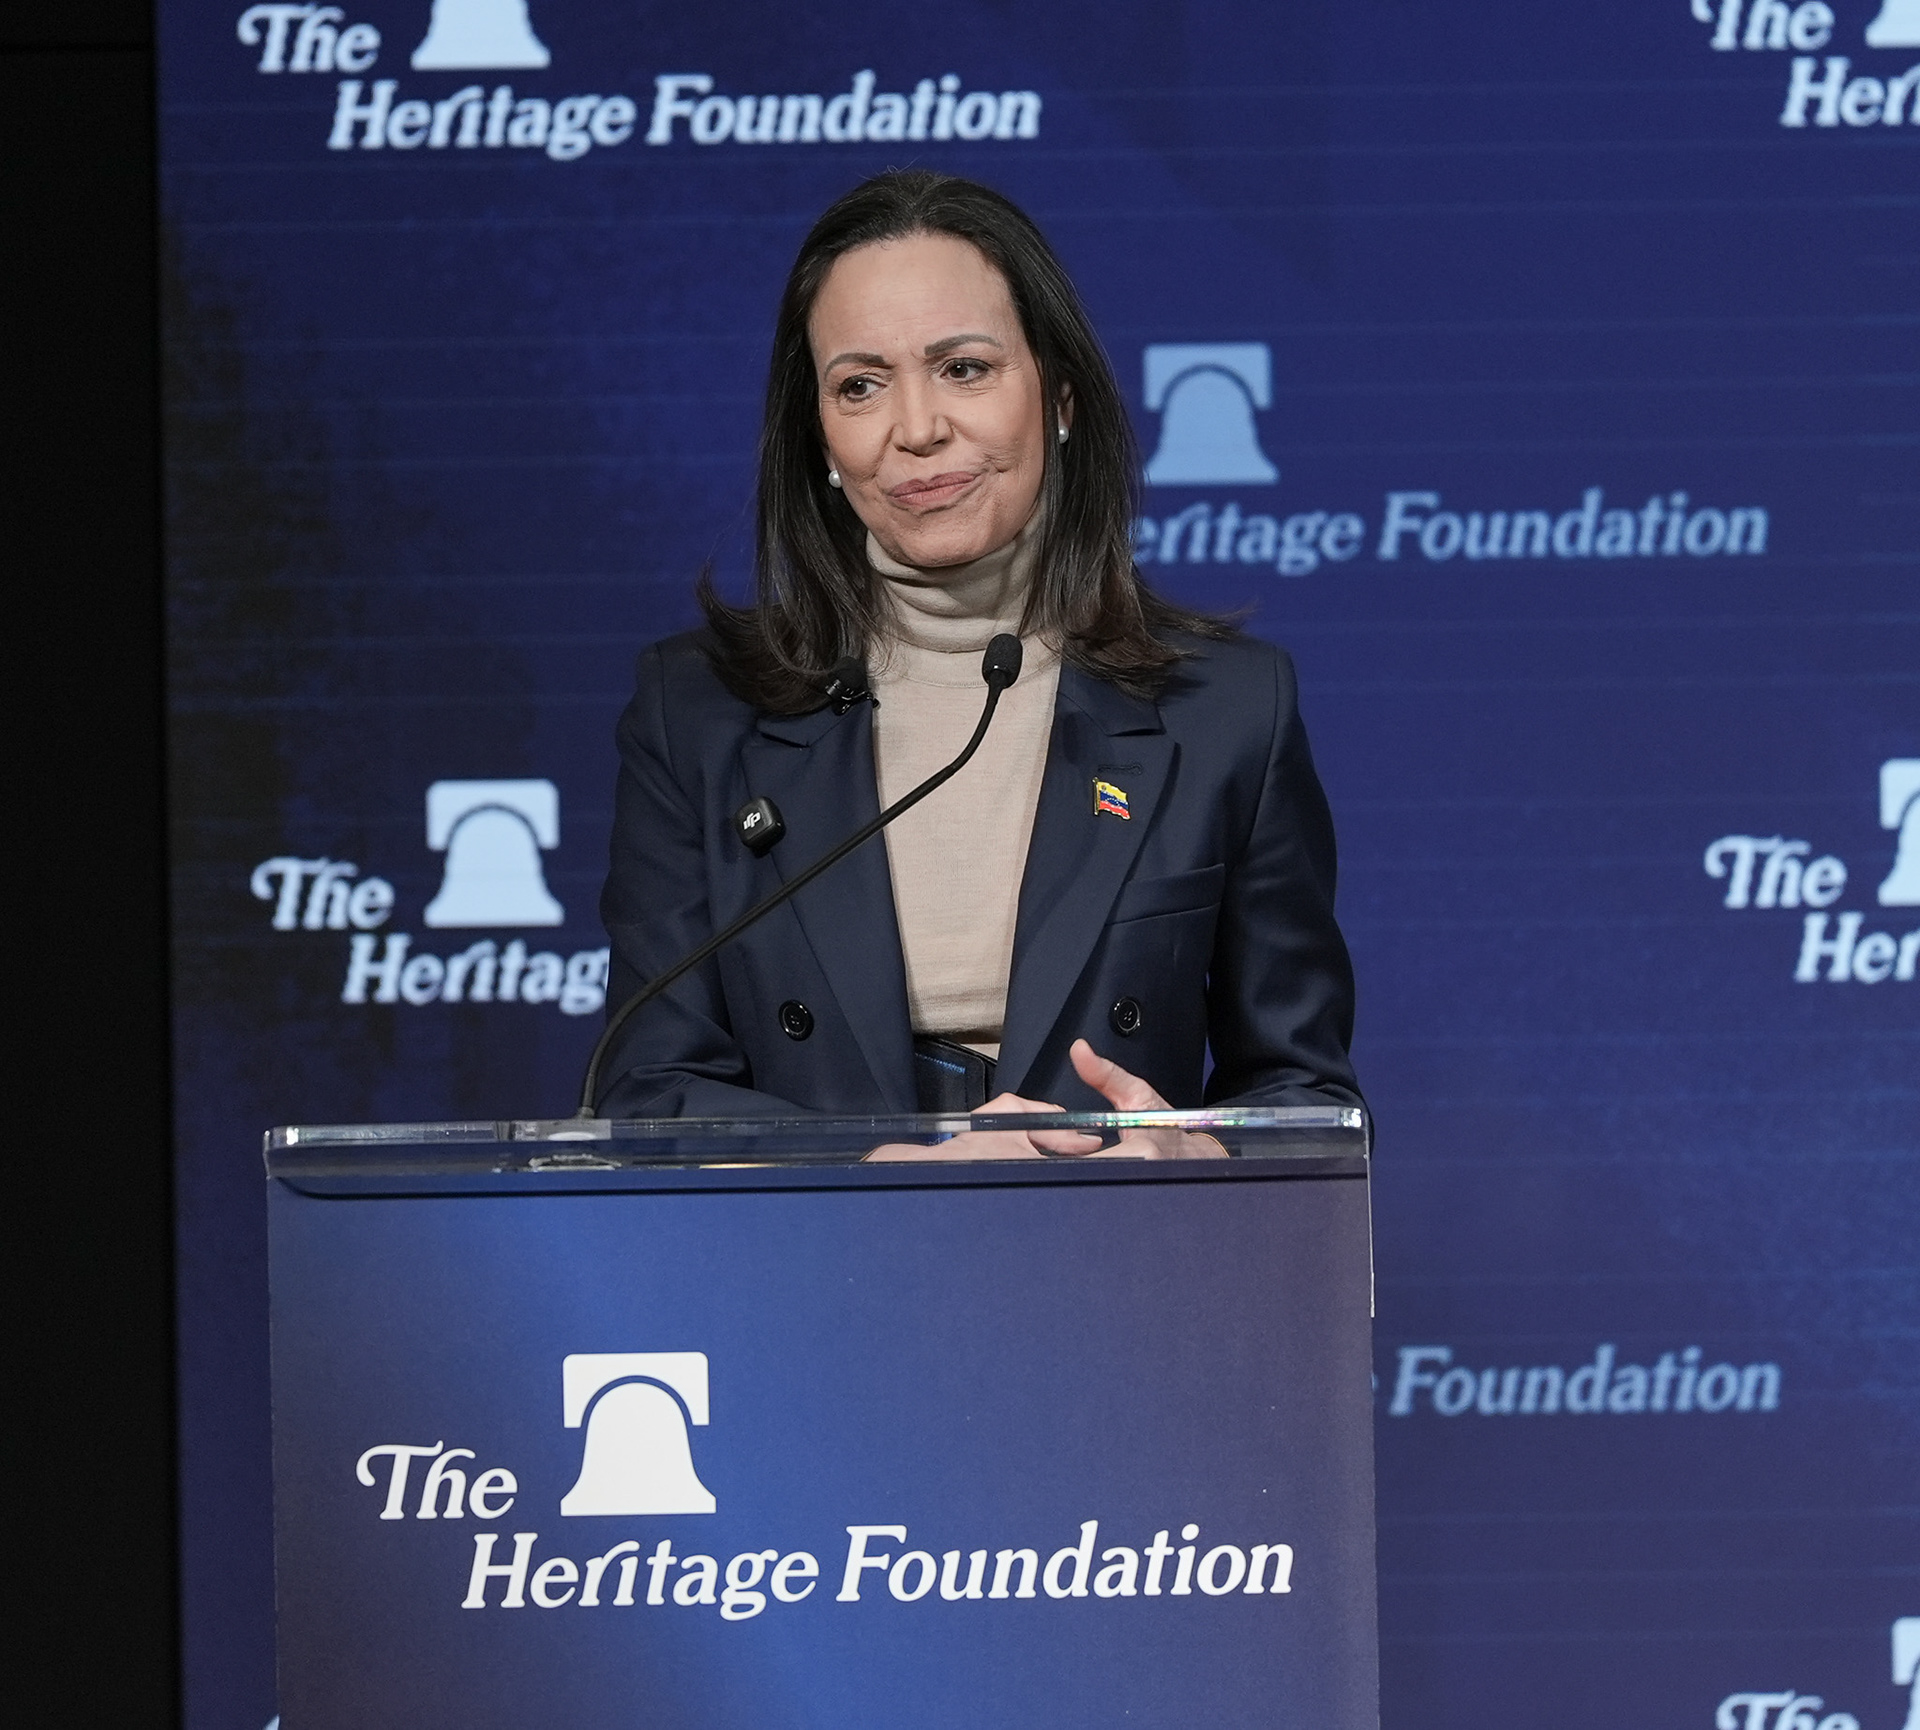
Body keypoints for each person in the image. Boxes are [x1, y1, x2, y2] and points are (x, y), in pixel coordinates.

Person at [597, 170, 1361, 1157]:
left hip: (1114, 1246)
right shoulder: (697, 710)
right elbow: (646, 1093)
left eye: (963, 368)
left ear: (1060, 398)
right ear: (820, 436)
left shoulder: (1225, 708)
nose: (917, 428)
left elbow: (1305, 1106)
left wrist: (1195, 1152)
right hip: (814, 1245)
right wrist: (894, 1174)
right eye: (860, 385)